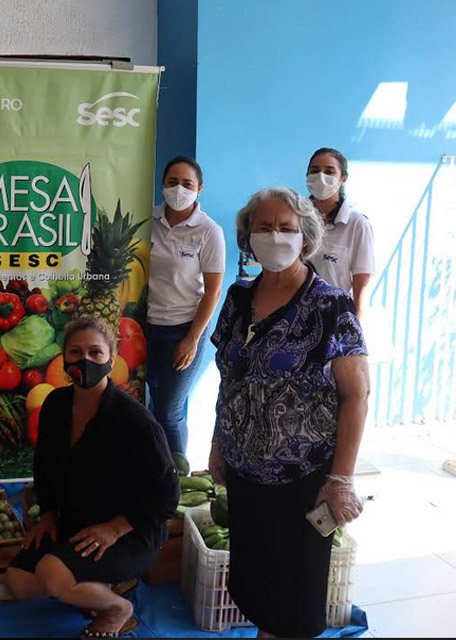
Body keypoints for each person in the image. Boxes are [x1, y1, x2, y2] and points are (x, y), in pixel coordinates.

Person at [208, 187, 369, 638]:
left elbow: (357, 395)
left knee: (294, 606)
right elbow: (229, 380)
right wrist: (219, 444)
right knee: (257, 588)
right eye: (264, 227)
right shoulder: (239, 298)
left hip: (303, 479)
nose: (274, 236)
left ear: (306, 236)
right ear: (248, 236)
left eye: (286, 228)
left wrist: (341, 479)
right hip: (243, 475)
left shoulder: (331, 305)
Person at [5, 315, 180, 638]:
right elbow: (43, 466)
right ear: (63, 357)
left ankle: (117, 609)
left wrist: (115, 528)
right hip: (77, 524)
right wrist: (46, 516)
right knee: (18, 583)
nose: (84, 360)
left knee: (52, 573)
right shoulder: (55, 405)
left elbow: (167, 495)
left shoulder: (135, 421)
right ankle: (95, 585)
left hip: (129, 533)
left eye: (95, 353)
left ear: (111, 361)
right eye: (75, 352)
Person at [146, 156, 225, 455]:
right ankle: (158, 472)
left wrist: (192, 340)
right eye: (172, 182)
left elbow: (213, 292)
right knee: (152, 403)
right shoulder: (148, 221)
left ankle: (179, 480)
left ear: (199, 189)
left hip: (184, 330)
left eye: (187, 184)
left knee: (169, 410)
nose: (179, 189)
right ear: (163, 185)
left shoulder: (208, 231)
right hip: (147, 327)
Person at [305, 147, 375, 321]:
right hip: (295, 315)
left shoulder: (357, 225)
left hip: (334, 317)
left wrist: (357, 330)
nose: (321, 176)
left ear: (343, 179)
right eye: (314, 171)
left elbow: (361, 285)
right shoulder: (296, 219)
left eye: (329, 171)